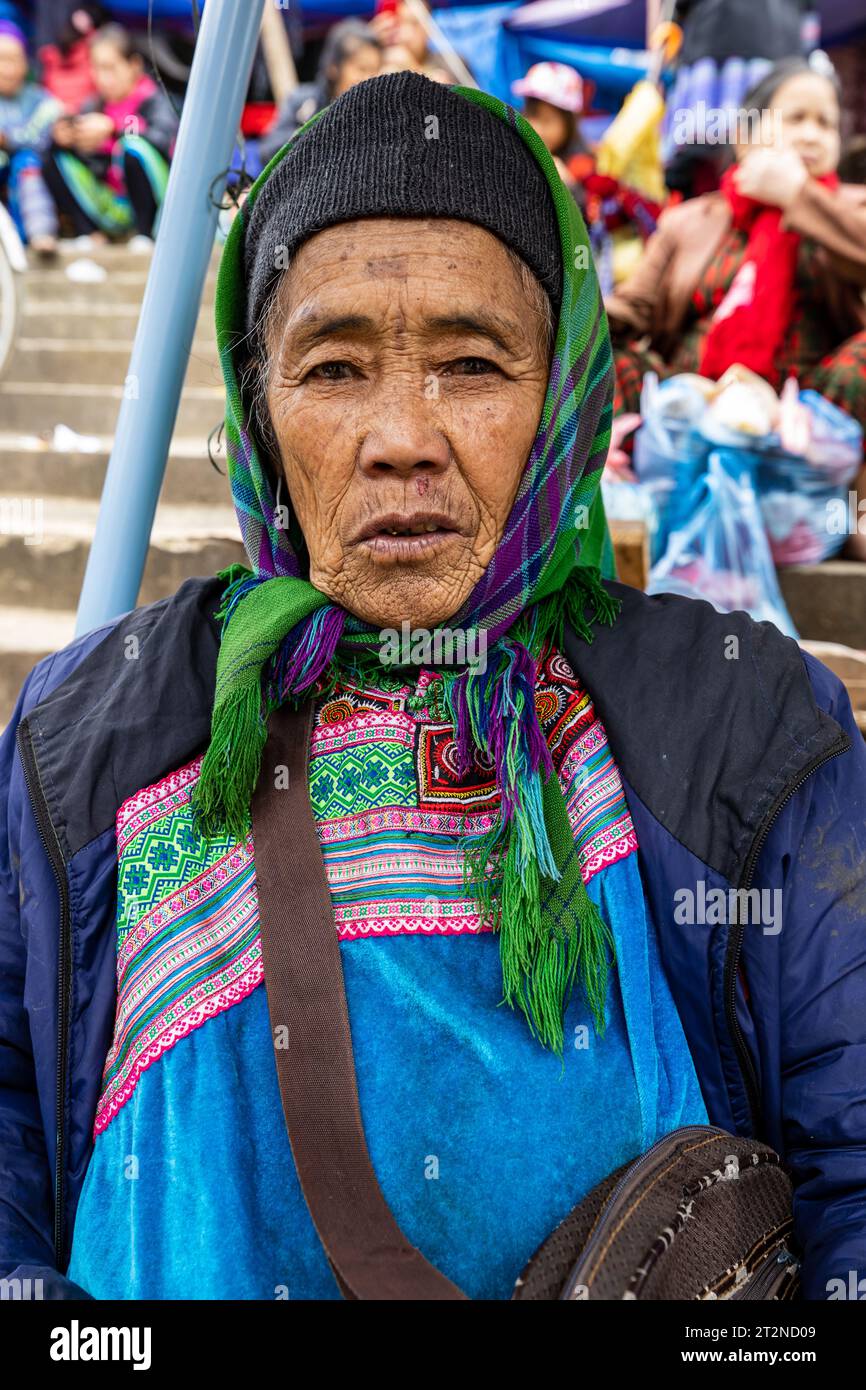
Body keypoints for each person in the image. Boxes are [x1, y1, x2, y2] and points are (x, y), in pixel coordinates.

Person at [1, 70, 864, 1301]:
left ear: (563, 394)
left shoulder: (739, 721)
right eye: (334, 369)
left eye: (470, 363)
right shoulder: (92, 729)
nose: (400, 434)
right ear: (258, 407)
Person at [608, 56, 866, 559]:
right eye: (796, 118)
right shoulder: (690, 219)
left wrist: (798, 197)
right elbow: (630, 310)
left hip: (801, 427)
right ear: (749, 136)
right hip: (693, 411)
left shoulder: (850, 208)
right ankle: (627, 503)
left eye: (826, 124)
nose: (812, 135)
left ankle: (849, 511)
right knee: (599, 350)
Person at [512, 60, 663, 292]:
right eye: (532, 116)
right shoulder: (518, 151)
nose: (538, 128)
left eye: (548, 120)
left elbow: (590, 223)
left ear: (569, 124)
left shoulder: (582, 167)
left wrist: (568, 187)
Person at [41, 22, 177, 246]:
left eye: (110, 68)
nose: (103, 78)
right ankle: (89, 233)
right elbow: (94, 165)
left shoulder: (153, 100)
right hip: (114, 206)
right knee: (53, 156)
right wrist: (66, 140)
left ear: (134, 65)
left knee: (132, 147)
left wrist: (114, 131)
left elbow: (162, 142)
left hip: (160, 206)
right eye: (96, 68)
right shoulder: (93, 106)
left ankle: (145, 234)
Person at [259, 18, 382, 166]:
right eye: (361, 69)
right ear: (334, 67)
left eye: (374, 71)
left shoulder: (377, 116)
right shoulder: (302, 102)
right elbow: (268, 152)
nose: (368, 79)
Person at [0, 19, 62, 254]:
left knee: (27, 162)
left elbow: (41, 137)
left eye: (14, 60)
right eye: (1, 59)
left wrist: (7, 140)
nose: (8, 69)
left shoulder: (40, 100)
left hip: (25, 173)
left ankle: (41, 233)